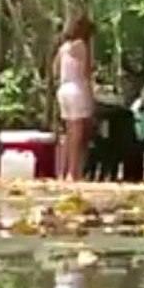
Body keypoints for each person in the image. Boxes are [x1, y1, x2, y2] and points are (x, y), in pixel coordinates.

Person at [56, 15, 95, 181]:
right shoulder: (82, 46)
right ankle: (73, 171)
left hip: (63, 88)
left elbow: (54, 70)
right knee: (77, 134)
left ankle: (62, 171)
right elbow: (86, 73)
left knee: (68, 131)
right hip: (77, 89)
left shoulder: (63, 47)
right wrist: (91, 96)